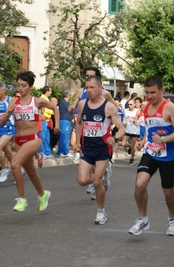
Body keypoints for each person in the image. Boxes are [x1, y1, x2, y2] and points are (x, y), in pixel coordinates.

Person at [128, 76, 174, 236]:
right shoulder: (145, 108)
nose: (149, 96)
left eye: (153, 92)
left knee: (168, 192)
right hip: (151, 152)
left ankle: (172, 219)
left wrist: (164, 139)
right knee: (140, 184)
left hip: (168, 155)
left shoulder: (170, 108)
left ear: (162, 91)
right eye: (147, 92)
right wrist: (142, 141)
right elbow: (149, 128)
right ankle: (142, 219)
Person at [0, 71, 59, 212]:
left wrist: (57, 125)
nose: (20, 88)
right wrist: (8, 112)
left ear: (31, 87)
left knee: (14, 164)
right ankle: (43, 194)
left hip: (33, 138)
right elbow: (2, 124)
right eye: (18, 85)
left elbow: (54, 107)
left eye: (24, 85)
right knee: (31, 172)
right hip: (19, 140)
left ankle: (21, 199)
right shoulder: (14, 102)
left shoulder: (37, 101)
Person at [75, 75, 125, 224]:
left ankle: (101, 212)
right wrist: (77, 141)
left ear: (100, 88)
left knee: (96, 182)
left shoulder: (108, 106)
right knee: (82, 181)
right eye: (87, 88)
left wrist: (115, 139)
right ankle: (102, 178)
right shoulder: (82, 104)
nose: (89, 91)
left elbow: (122, 128)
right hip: (87, 148)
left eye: (92, 87)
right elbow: (79, 123)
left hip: (102, 149)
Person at [0, 82, 15, 183]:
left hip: (9, 128)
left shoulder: (11, 100)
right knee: (8, 152)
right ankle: (19, 168)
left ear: (4, 91)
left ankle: (4, 169)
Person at [122, 98, 140, 165]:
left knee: (133, 146)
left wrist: (136, 122)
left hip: (135, 131)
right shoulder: (126, 111)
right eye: (128, 104)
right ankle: (130, 146)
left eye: (131, 104)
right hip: (127, 130)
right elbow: (124, 118)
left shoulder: (137, 111)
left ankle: (132, 159)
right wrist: (124, 123)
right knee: (123, 144)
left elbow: (141, 121)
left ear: (134, 104)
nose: (129, 105)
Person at [57, 90, 73, 157]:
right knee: (63, 136)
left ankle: (65, 151)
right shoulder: (64, 103)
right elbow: (70, 110)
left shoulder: (66, 102)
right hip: (64, 120)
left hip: (67, 120)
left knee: (66, 136)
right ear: (68, 95)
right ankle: (61, 151)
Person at [40, 86, 54, 159]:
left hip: (47, 120)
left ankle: (47, 152)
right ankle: (42, 153)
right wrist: (51, 110)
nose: (51, 92)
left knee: (47, 137)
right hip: (43, 120)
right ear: (47, 91)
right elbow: (48, 110)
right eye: (50, 91)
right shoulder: (42, 99)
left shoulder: (46, 99)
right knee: (42, 137)